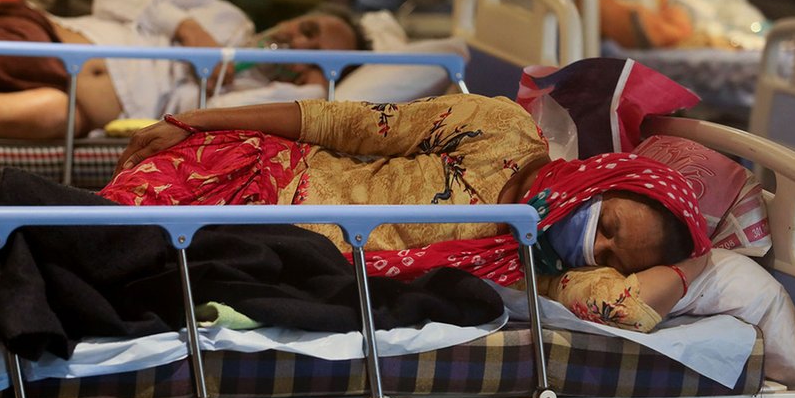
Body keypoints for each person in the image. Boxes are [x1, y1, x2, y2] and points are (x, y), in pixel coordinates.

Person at [102, 92, 713, 332]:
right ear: (600, 177)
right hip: (258, 173)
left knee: (117, 266)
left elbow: (626, 309)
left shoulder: (536, 269)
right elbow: (342, 122)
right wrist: (193, 122)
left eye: (608, 256)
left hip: (276, 251)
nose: (593, 247)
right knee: (95, 231)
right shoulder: (500, 130)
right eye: (606, 226)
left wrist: (704, 265)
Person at [0, 0, 366, 140]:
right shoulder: (226, 20)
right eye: (306, 28)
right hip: (46, 43)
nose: (299, 42)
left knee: (56, 115)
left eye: (316, 51)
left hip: (72, 108)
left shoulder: (265, 95)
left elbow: (313, 110)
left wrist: (313, 85)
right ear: (293, 17)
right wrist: (186, 26)